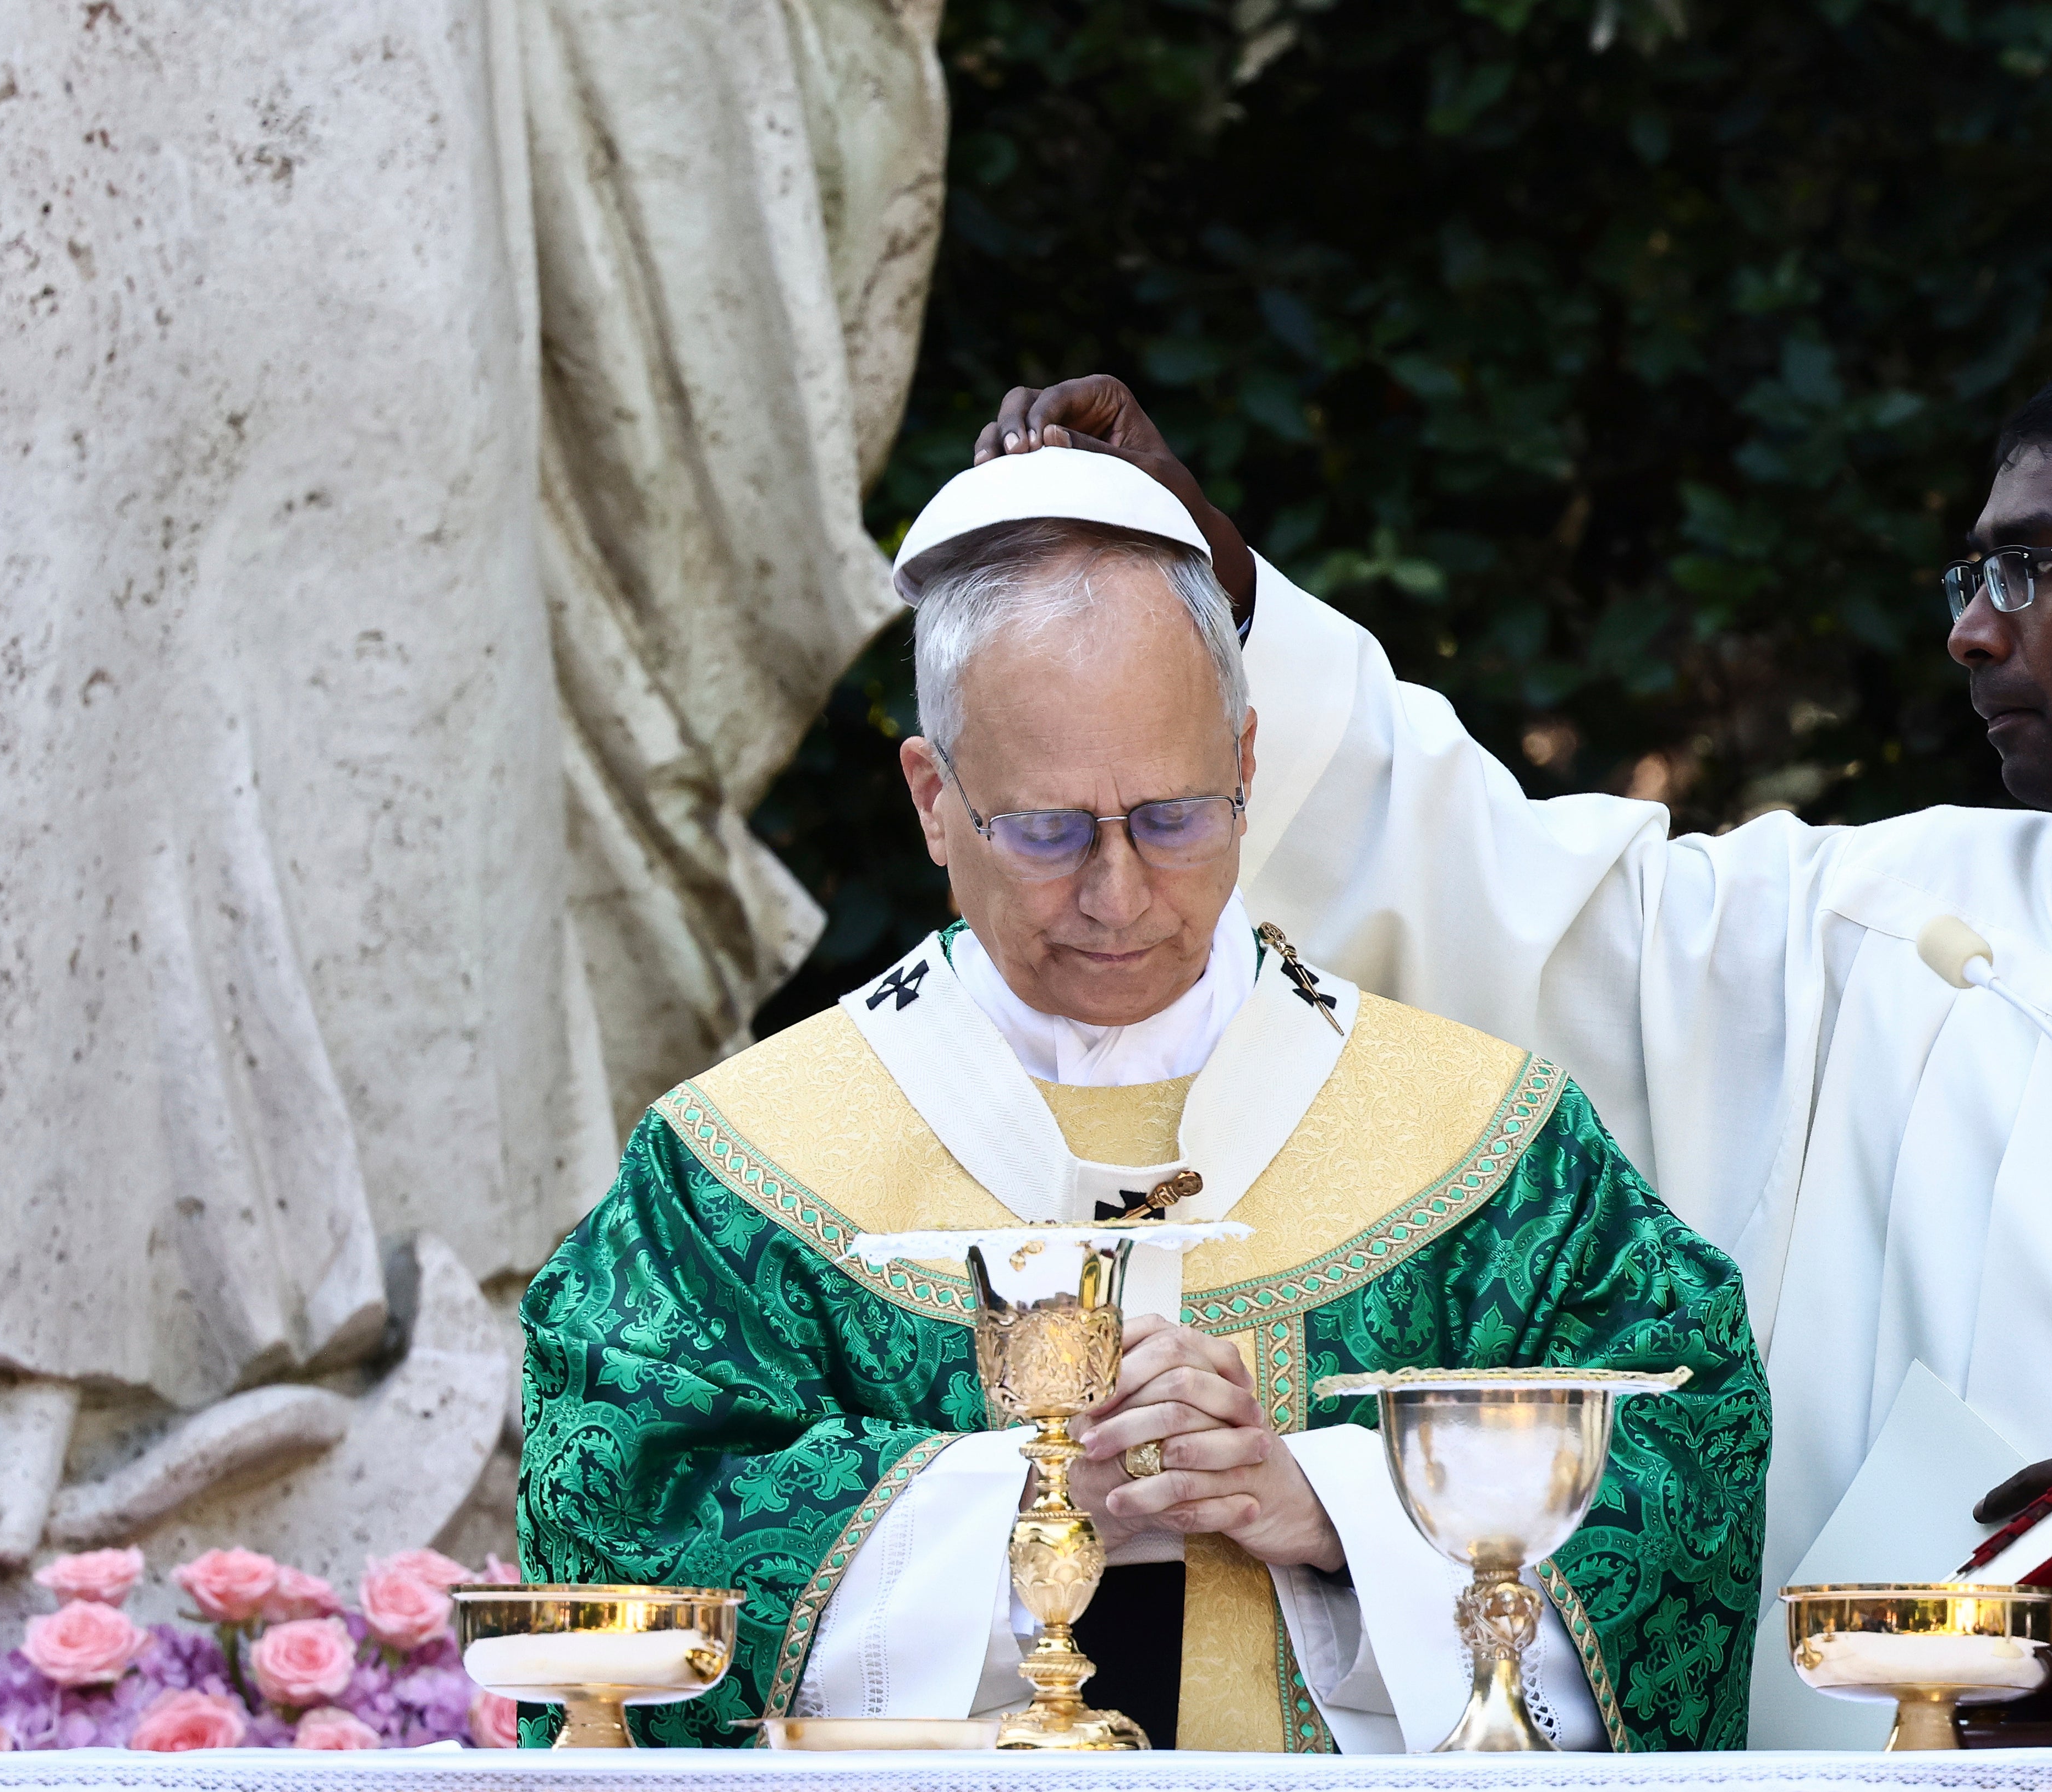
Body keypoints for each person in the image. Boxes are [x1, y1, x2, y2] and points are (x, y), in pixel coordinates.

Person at [987, 349, 2052, 1740]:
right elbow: (1504, 902)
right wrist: (1221, 592)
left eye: (2031, 569)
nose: (1974, 631)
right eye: (1970, 578)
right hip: (1877, 1752)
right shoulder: (1880, 927)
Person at [517, 449, 1770, 1752]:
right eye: (1048, 831)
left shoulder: (1499, 1155)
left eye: (1172, 818)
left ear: (1245, 761)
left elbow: (1685, 1472)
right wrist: (1032, 1507)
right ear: (934, 801)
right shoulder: (726, 1178)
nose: (1117, 896)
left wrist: (1332, 1510)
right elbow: (618, 1535)